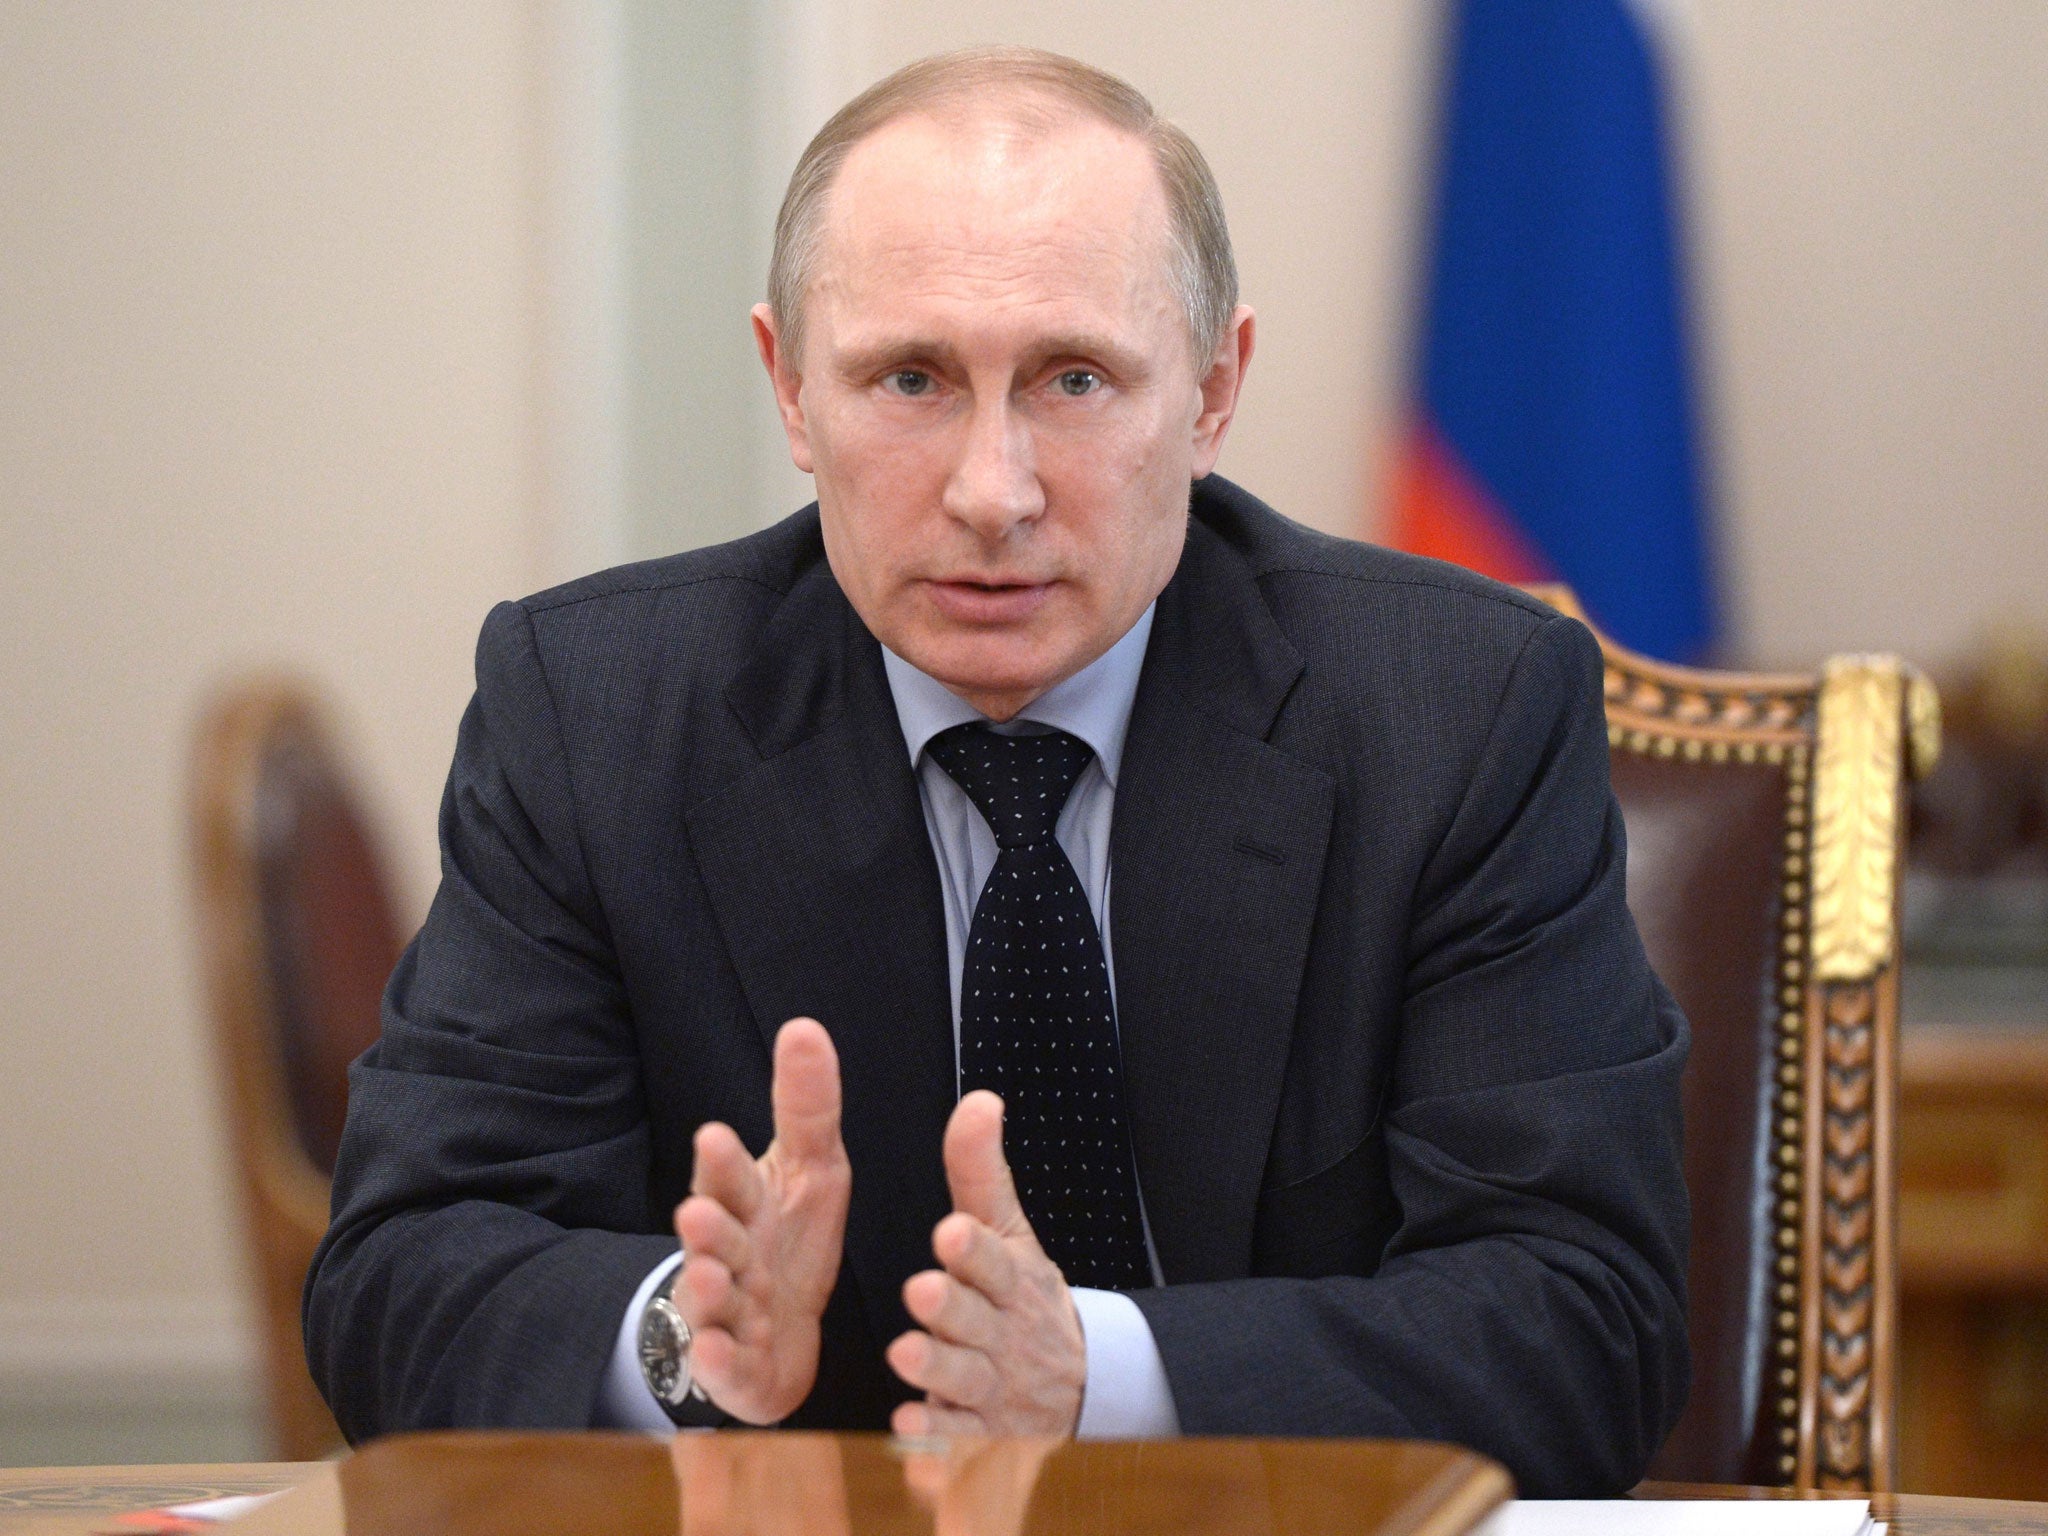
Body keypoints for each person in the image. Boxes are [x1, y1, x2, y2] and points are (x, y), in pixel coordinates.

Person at [305, 46, 1689, 1495]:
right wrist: (680, 1343)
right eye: (910, 379)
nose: (992, 491)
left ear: (1214, 392)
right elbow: (398, 1281)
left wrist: (1094, 1377)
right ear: (789, 390)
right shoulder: (597, 715)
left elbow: (1588, 1325)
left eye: (1075, 380)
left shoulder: (1454, 712)